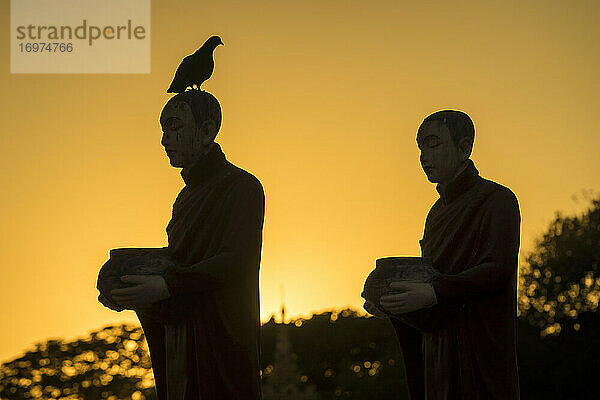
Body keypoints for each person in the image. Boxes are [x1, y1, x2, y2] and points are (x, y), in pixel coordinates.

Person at [110, 90, 265, 400]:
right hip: (181, 338)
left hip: (221, 337)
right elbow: (178, 261)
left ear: (206, 131)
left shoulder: (242, 186)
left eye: (175, 127)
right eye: (163, 130)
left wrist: (165, 285)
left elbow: (237, 260)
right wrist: (128, 281)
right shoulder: (184, 200)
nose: (165, 140)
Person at [365, 110, 520, 399]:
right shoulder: (435, 215)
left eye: (433, 144)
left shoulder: (497, 200)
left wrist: (434, 293)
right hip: (438, 354)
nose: (424, 157)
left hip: (479, 348)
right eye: (420, 148)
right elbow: (429, 276)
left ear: (464, 148)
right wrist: (394, 299)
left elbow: (497, 269)